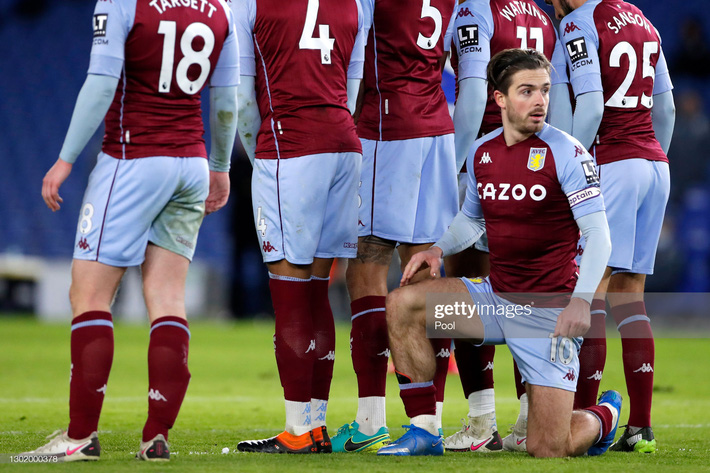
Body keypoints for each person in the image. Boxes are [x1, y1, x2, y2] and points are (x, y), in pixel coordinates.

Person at [18, 0, 239, 462]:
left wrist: (65, 159)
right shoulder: (219, 8)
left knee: (89, 295)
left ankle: (80, 438)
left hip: (133, 159)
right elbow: (225, 98)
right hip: (191, 164)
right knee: (168, 298)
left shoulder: (122, 3)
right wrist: (219, 167)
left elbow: (101, 84)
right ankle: (155, 437)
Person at [378, 48, 620, 458]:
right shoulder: (482, 153)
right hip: (493, 301)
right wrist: (437, 249)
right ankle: (423, 430)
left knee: (548, 448)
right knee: (403, 304)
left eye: (545, 90)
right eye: (527, 91)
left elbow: (599, 236)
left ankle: (604, 417)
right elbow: (472, 220)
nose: (540, 100)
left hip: (547, 314)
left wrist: (581, 301)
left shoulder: (568, 153)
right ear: (500, 99)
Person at [232, 0, 371, 454]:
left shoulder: (248, 3)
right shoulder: (356, 4)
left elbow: (241, 95)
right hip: (344, 144)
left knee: (289, 291)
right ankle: (315, 425)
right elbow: (352, 88)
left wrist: (261, 153)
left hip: (289, 144)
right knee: (316, 289)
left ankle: (297, 430)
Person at [445, 0, 573, 453]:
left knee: (462, 295)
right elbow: (557, 100)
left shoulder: (476, 10)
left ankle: (481, 422)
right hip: (537, 165)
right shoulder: (541, 17)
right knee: (523, 292)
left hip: (487, 161)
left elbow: (473, 94)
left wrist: (453, 163)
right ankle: (525, 419)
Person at [331, 0, 460, 452]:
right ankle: (431, 421)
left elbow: (355, 55)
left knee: (366, 269)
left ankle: (370, 422)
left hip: (387, 129)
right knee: (426, 277)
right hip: (438, 127)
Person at [547, 0, 675, 453]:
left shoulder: (578, 24)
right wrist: (653, 159)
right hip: (654, 165)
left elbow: (591, 107)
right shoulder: (644, 20)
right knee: (630, 295)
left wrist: (569, 171)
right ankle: (640, 428)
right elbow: (667, 109)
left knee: (591, 290)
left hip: (613, 161)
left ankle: (582, 422)